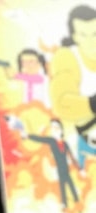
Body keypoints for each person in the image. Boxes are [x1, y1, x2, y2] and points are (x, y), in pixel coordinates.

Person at [49, 4, 96, 169]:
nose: (92, 41)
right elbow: (62, 103)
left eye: (95, 34)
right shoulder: (67, 57)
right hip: (82, 144)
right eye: (84, 35)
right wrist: (92, 103)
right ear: (75, 36)